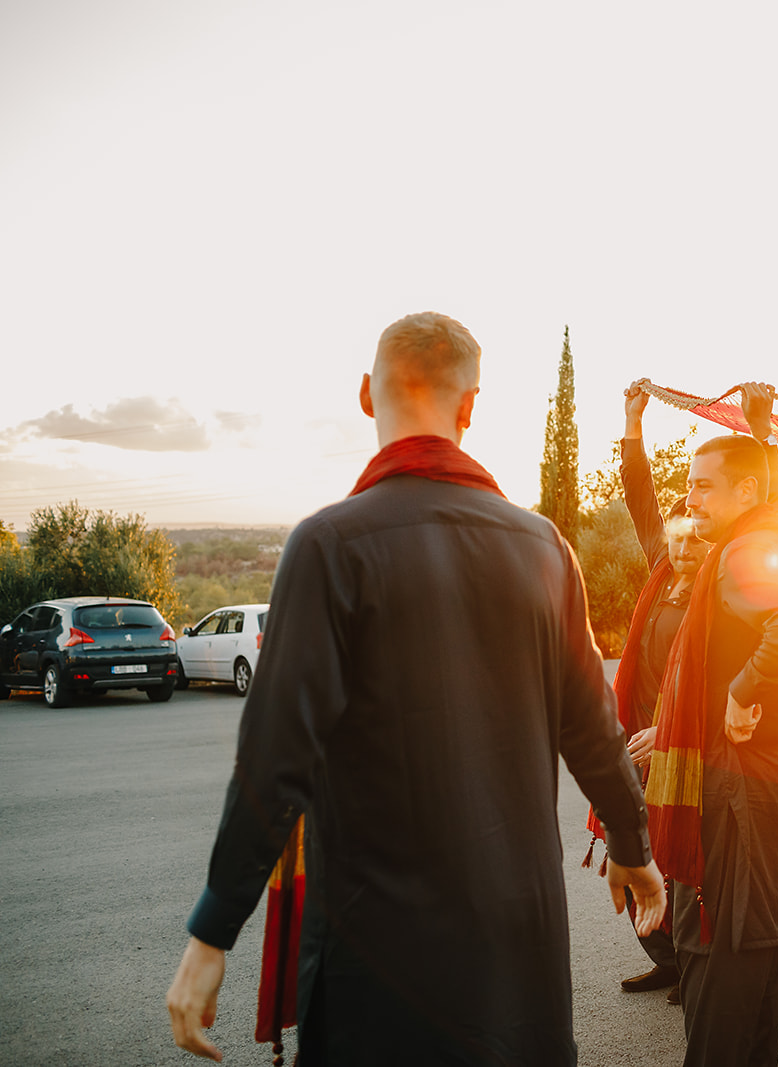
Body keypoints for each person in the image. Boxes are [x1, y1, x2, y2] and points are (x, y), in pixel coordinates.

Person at [164, 312, 665, 1066]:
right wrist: (631, 843)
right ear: (469, 409)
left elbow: (275, 758)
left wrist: (212, 929)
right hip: (515, 954)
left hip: (378, 953)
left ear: (368, 395)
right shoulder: (545, 548)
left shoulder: (329, 545)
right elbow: (594, 726)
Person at [589, 380, 778, 1004]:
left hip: (689, 737)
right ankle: (667, 956)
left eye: (694, 533)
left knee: (684, 851)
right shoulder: (659, 569)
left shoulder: (725, 581)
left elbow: (774, 512)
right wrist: (631, 424)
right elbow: (639, 494)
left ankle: (692, 957)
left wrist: (762, 433)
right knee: (636, 844)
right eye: (675, 533)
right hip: (640, 735)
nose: (683, 541)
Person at [643, 431, 778, 1067]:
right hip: (745, 784)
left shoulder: (745, 548)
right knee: (737, 954)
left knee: (725, 956)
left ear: (745, 490)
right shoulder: (756, 538)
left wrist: (743, 692)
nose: (689, 495)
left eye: (702, 484)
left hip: (740, 788)